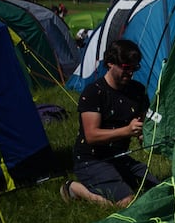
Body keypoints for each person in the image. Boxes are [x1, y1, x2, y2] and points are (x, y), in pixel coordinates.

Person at [60, 39, 159, 207]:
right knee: (128, 203)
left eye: (134, 68)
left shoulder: (137, 91)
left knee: (158, 191)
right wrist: (127, 131)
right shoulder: (94, 92)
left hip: (118, 157)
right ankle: (75, 189)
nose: (130, 74)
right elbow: (91, 135)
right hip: (91, 159)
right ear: (110, 63)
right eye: (126, 68)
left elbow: (143, 125)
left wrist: (146, 135)